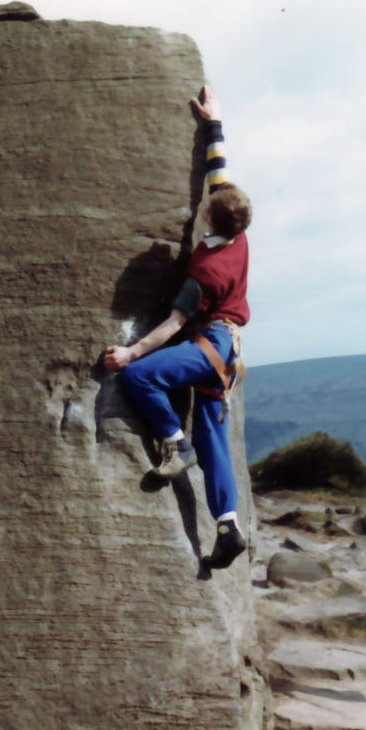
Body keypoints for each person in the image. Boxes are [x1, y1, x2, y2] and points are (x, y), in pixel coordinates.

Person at [103, 86, 252, 570]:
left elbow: (172, 324)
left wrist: (129, 354)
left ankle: (173, 441)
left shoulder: (206, 271)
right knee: (216, 438)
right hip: (227, 350)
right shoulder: (236, 234)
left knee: (140, 377)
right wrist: (214, 125)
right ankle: (227, 525)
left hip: (209, 342)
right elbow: (219, 174)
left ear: (209, 218)